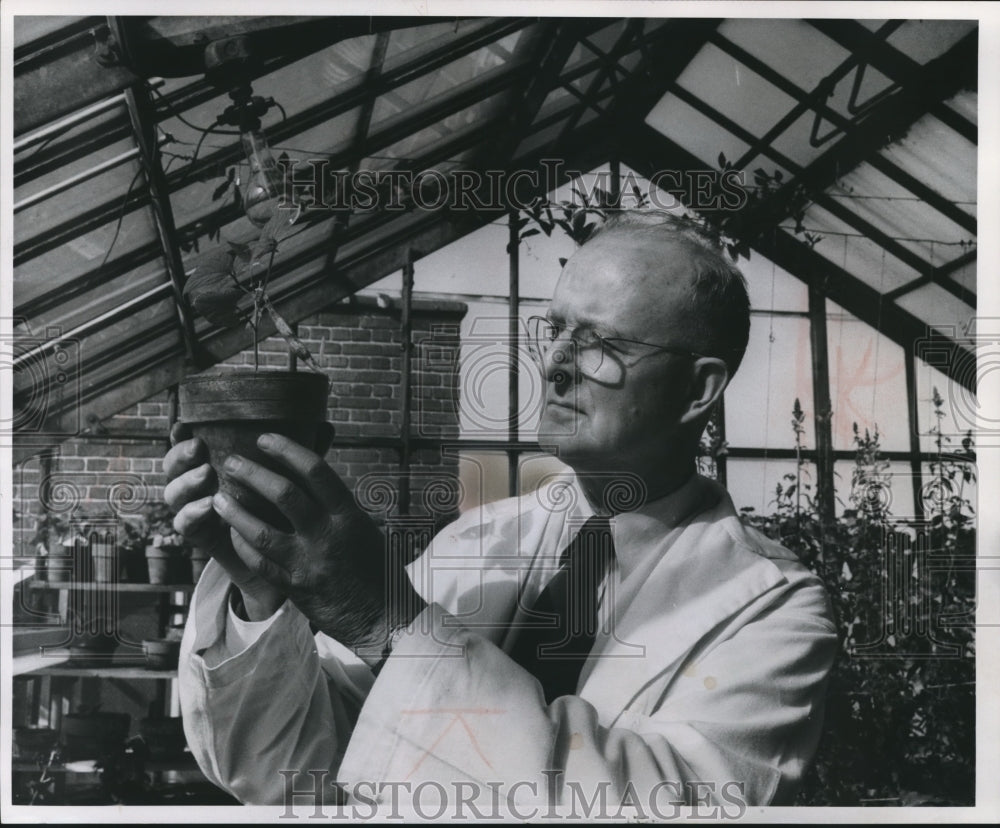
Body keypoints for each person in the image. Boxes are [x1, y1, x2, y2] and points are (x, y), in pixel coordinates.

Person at [168, 211, 837, 815]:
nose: (555, 364)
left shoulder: (771, 611)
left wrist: (389, 621)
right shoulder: (479, 539)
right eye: (556, 330)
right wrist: (261, 593)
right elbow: (284, 774)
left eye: (601, 342)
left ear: (699, 388)